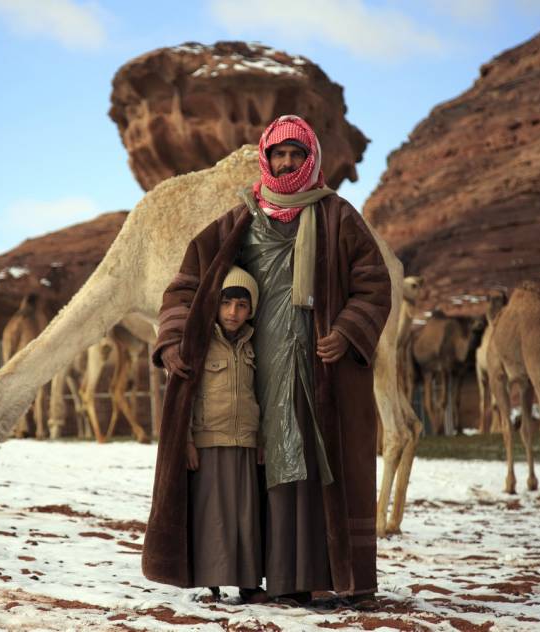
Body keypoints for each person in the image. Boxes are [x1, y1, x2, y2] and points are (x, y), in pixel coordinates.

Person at [142, 115, 391, 610]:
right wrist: (174, 339)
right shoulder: (242, 219)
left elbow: (374, 283)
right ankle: (260, 575)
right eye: (279, 153)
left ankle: (321, 576)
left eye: (297, 154)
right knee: (257, 468)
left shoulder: (337, 215)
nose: (287, 162)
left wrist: (344, 332)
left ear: (311, 159)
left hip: (319, 370)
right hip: (255, 369)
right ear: (266, 158)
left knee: (314, 467)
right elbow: (188, 280)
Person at [184, 266, 266, 603]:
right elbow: (183, 396)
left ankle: (248, 583)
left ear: (252, 310)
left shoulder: (254, 345)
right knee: (212, 516)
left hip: (245, 441)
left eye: (242, 306)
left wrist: (261, 438)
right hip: (209, 440)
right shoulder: (200, 342)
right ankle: (209, 583)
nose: (233, 313)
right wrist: (187, 440)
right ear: (215, 306)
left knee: (245, 516)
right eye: (227, 304)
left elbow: (261, 394)